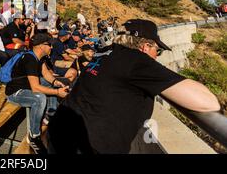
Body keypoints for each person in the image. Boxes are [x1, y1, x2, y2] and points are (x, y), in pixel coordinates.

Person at [47, 19, 221, 154]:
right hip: (87, 147)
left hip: (59, 134)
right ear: (145, 47)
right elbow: (208, 102)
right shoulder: (137, 61)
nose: (157, 56)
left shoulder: (105, 53)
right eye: (157, 51)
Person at [6, 33, 70, 154]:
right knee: (39, 97)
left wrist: (56, 82)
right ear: (41, 46)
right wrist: (57, 92)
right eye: (49, 45)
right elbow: (35, 88)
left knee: (50, 84)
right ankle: (34, 136)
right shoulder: (30, 59)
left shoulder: (39, 58)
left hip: (27, 87)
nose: (51, 47)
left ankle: (49, 115)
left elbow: (46, 75)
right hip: (15, 93)